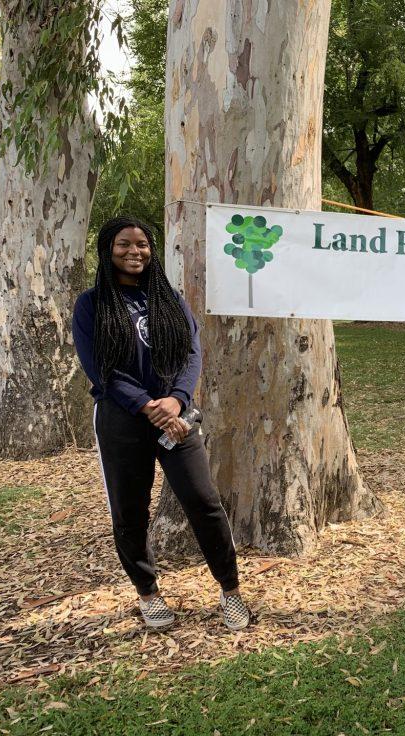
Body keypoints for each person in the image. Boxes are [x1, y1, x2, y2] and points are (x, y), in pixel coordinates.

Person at [72, 216, 252, 631]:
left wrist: (175, 401)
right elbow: (100, 367)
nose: (134, 251)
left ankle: (230, 591)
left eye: (142, 244)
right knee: (130, 510)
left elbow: (192, 354)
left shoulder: (169, 298)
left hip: (178, 417)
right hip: (122, 419)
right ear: (108, 250)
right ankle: (149, 593)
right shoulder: (91, 304)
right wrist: (149, 406)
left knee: (204, 503)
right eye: (124, 244)